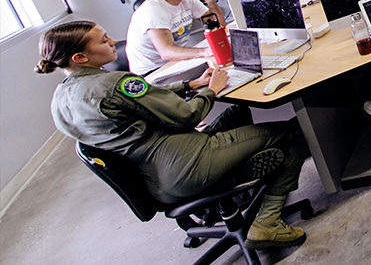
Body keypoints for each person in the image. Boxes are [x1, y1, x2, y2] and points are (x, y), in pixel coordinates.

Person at [39, 21, 309, 249]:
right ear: (80, 57)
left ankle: (239, 171)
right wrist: (211, 89)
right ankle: (267, 223)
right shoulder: (114, 83)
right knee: (294, 132)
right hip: (186, 164)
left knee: (237, 112)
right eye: (103, 40)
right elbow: (186, 116)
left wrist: (192, 84)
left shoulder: (60, 100)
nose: (112, 41)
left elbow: (141, 103)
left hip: (156, 177)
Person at [126, 0, 226, 75]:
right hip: (153, 72)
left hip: (176, 63)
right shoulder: (153, 10)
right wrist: (204, 51)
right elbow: (167, 52)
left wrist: (209, 0)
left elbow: (219, 27)